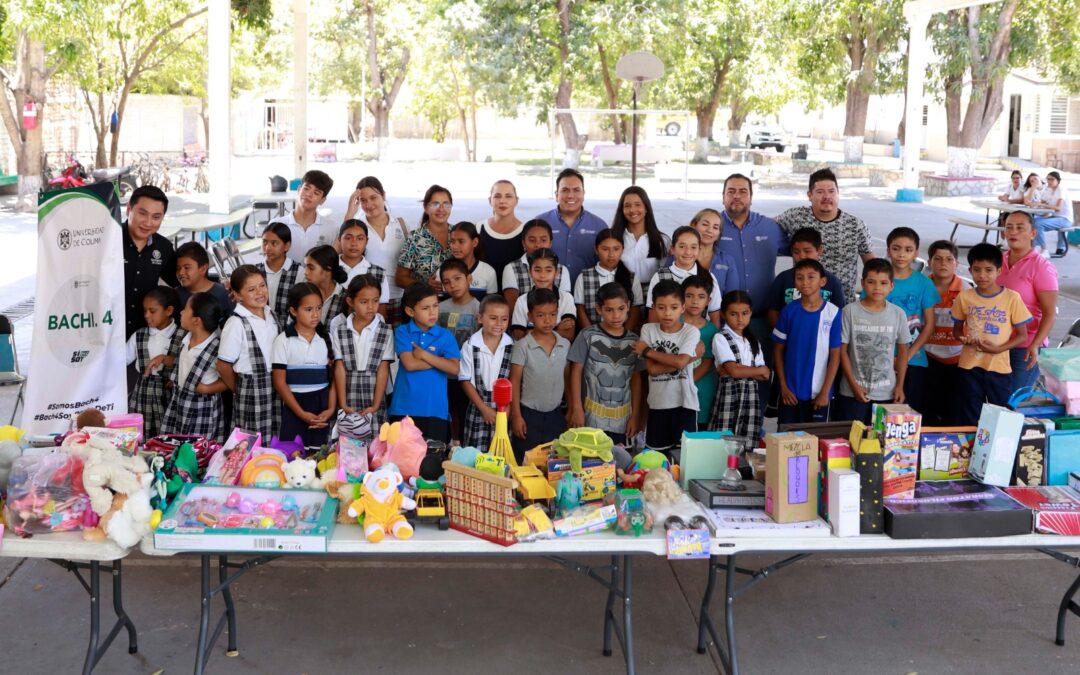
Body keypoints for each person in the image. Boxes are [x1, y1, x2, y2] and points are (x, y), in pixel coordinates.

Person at [952, 244, 1033, 426]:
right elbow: (957, 330)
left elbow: (1022, 335)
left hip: (999, 367)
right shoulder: (964, 297)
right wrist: (963, 338)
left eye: (988, 270)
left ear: (999, 270)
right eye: (977, 270)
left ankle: (997, 452)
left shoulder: (1012, 298)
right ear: (970, 270)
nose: (982, 275)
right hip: (969, 366)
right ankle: (969, 450)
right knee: (970, 413)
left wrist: (999, 349)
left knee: (1000, 415)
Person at [776, 168, 873, 305]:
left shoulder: (855, 225)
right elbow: (764, 227)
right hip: (801, 303)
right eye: (820, 192)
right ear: (810, 195)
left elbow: (871, 264)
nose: (827, 196)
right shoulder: (795, 217)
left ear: (838, 193)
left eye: (831, 191)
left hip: (843, 306)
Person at [567, 282, 643, 446]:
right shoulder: (587, 336)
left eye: (621, 309)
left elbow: (636, 379)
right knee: (591, 465)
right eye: (609, 310)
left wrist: (635, 416)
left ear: (628, 306)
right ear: (599, 309)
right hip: (591, 418)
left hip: (621, 420)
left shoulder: (635, 342)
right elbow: (575, 372)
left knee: (618, 464)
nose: (616, 315)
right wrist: (576, 408)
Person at [836, 259, 911, 424]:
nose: (877, 288)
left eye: (883, 283)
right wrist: (853, 385)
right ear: (863, 283)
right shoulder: (849, 311)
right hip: (851, 392)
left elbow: (903, 351)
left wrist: (899, 386)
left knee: (881, 442)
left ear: (892, 285)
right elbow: (841, 351)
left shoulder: (898, 314)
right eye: (871, 282)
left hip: (886, 393)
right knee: (851, 440)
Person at [634, 279, 702, 457]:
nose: (667, 313)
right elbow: (652, 370)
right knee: (658, 459)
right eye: (661, 307)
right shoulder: (648, 330)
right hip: (658, 404)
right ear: (654, 307)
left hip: (685, 404)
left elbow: (680, 363)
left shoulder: (691, 331)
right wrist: (688, 358)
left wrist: (647, 350)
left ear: (683, 307)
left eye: (673, 307)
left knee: (685, 459)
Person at [389, 283, 461, 443]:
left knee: (432, 462)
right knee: (400, 461)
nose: (432, 312)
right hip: (404, 407)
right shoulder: (403, 331)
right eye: (425, 308)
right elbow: (410, 364)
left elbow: (455, 369)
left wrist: (423, 355)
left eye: (435, 306)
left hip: (435, 410)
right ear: (410, 311)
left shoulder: (445, 335)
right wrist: (441, 362)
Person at [772, 260, 842, 424]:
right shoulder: (788, 311)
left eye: (811, 277)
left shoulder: (833, 313)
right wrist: (783, 386)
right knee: (787, 443)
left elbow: (835, 354)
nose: (805, 282)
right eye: (800, 278)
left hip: (819, 393)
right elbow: (778, 350)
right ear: (794, 282)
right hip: (791, 393)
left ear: (822, 281)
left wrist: (825, 391)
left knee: (815, 443)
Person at [217, 265, 279, 440]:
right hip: (250, 391)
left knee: (274, 436)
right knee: (252, 440)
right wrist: (238, 389)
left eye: (262, 285)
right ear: (237, 295)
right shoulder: (236, 323)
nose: (260, 292)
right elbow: (223, 366)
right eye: (251, 289)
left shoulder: (271, 314)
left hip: (275, 386)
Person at [998, 211, 1059, 392]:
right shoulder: (997, 261)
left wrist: (1035, 344)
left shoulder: (1042, 267)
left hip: (1025, 347)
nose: (1013, 232)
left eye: (1020, 228)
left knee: (1013, 403)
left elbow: (1049, 313)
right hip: (996, 343)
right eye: (1009, 227)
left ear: (1033, 233)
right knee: (993, 401)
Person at [510, 288, 571, 460]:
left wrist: (572, 408)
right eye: (541, 315)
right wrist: (516, 415)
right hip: (528, 415)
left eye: (552, 314)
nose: (548, 320)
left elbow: (567, 379)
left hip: (555, 414)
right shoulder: (522, 346)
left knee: (553, 464)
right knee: (526, 462)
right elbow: (514, 381)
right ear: (530, 317)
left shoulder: (564, 344)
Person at [272, 283, 336, 448]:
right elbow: (280, 382)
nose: (315, 315)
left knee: (320, 457)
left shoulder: (326, 339)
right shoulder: (283, 340)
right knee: (293, 455)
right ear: (294, 311)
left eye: (319, 308)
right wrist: (301, 414)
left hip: (322, 408)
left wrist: (330, 410)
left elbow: (334, 379)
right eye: (308, 310)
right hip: (295, 407)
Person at [342, 176, 410, 324]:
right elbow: (342, 248)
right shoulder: (358, 227)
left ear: (383, 196)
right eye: (363, 200)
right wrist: (350, 212)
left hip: (400, 297)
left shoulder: (401, 224)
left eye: (374, 198)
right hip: (369, 301)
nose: (369, 204)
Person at [885, 227, 939, 413]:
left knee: (908, 414)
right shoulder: (879, 281)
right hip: (880, 359)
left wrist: (907, 355)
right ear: (888, 250)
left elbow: (929, 324)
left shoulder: (923, 283)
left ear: (916, 253)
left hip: (914, 360)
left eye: (908, 250)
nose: (901, 254)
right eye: (896, 248)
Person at [332, 275, 395, 428]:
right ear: (350, 302)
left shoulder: (386, 331)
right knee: (348, 441)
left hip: (375, 392)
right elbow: (339, 368)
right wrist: (343, 403)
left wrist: (376, 404)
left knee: (376, 443)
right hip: (348, 391)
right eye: (364, 302)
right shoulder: (340, 331)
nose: (371, 307)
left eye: (375, 300)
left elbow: (383, 369)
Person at [161, 292, 226, 439]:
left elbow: (229, 381)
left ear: (196, 320)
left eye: (185, 309)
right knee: (177, 441)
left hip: (202, 409)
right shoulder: (186, 339)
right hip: (180, 402)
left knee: (197, 448)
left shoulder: (217, 348)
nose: (181, 312)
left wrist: (208, 388)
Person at [710, 290, 770, 438]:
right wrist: (756, 370)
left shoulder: (753, 341)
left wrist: (739, 369)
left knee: (747, 440)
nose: (740, 319)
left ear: (751, 313)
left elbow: (766, 375)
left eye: (745, 313)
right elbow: (734, 371)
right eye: (733, 314)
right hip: (729, 396)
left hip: (751, 398)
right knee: (724, 440)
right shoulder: (720, 338)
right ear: (723, 314)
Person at [924, 240, 970, 426]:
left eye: (949, 259)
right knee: (928, 407)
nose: (943, 263)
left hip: (957, 360)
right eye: (938, 259)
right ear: (929, 263)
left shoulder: (966, 291)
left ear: (957, 264)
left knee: (954, 409)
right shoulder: (922, 287)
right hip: (927, 358)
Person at [459, 295, 513, 450]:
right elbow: (465, 381)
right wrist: (483, 408)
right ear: (480, 318)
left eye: (504, 319)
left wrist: (508, 408)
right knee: (475, 455)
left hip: (504, 410)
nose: (499, 324)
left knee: (500, 454)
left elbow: (515, 381)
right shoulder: (470, 346)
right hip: (478, 407)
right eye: (493, 318)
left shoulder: (512, 346)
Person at [122, 185, 177, 338]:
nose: (148, 222)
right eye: (142, 213)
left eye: (156, 217)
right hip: (108, 332)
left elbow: (180, 282)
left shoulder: (164, 247)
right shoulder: (109, 239)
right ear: (129, 210)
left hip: (144, 335)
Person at [534, 168, 608, 279]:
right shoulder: (540, 223)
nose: (570, 195)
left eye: (576, 190)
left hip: (588, 290)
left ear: (583, 194)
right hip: (549, 293)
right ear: (556, 194)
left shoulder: (599, 226)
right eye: (565, 190)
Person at [766, 227, 845, 328]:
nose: (802, 256)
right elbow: (773, 311)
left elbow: (839, 313)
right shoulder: (783, 279)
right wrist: (780, 336)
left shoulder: (833, 282)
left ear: (819, 250)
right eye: (796, 252)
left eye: (807, 251)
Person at [126, 286, 179, 438]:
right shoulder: (139, 335)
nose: (147, 315)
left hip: (169, 396)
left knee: (167, 436)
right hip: (142, 396)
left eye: (152, 311)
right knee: (140, 435)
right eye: (145, 311)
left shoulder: (183, 336)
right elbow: (119, 360)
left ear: (169, 311)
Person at [438, 258, 480, 443]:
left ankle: (461, 445)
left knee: (463, 411)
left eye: (457, 279)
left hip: (467, 374)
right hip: (443, 372)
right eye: (447, 282)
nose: (452, 285)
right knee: (446, 410)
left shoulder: (479, 308)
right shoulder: (439, 308)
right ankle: (447, 444)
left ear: (469, 278)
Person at [646, 226, 722, 326]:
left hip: (700, 336)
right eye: (682, 246)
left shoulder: (709, 277)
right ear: (672, 249)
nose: (688, 252)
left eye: (693, 247)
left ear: (699, 249)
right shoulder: (659, 277)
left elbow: (714, 315)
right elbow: (653, 317)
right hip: (668, 337)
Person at [574, 228, 643, 331]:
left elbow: (635, 309)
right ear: (596, 250)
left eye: (616, 249)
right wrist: (591, 334)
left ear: (622, 249)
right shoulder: (584, 277)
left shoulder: (631, 278)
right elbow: (580, 310)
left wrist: (625, 336)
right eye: (605, 249)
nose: (611, 254)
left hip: (624, 336)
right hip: (593, 335)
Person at [610, 186, 668, 296]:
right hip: (622, 293)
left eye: (638, 205)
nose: (632, 210)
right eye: (627, 206)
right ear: (622, 210)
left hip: (653, 294)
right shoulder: (614, 238)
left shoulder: (662, 240)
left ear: (646, 208)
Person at [501, 219, 572, 308]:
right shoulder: (511, 268)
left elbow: (565, 304)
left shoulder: (562, 270)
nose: (538, 245)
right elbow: (513, 307)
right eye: (532, 240)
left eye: (543, 240)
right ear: (523, 243)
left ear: (550, 243)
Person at [510, 248, 577, 342]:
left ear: (556, 272)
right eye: (537, 270)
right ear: (530, 272)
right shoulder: (522, 301)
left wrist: (530, 332)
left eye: (548, 270)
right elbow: (519, 336)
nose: (542, 275)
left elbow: (568, 335)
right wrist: (557, 330)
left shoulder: (566, 298)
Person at [396, 184, 453, 294]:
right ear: (426, 208)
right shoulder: (415, 238)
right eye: (435, 204)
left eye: (446, 204)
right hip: (424, 305)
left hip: (455, 305)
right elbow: (400, 279)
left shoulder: (458, 235)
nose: (441, 209)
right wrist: (424, 285)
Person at [682, 276, 719, 431]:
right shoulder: (674, 325)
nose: (695, 302)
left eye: (701, 297)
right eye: (689, 296)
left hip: (701, 391)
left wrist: (687, 383)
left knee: (699, 433)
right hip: (675, 393)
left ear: (708, 301)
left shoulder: (711, 330)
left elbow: (708, 362)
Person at [479, 180, 524, 290]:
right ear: (490, 200)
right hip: (485, 296)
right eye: (497, 196)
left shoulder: (526, 231)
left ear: (516, 200)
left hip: (517, 296)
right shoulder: (479, 228)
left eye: (508, 196)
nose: (502, 201)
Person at [284, 170, 336, 263]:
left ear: (322, 200)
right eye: (306, 188)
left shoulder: (331, 228)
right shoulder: (278, 224)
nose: (309, 194)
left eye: (316, 193)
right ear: (299, 189)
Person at [337, 220, 390, 310]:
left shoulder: (379, 273)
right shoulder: (328, 269)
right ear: (339, 239)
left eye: (360, 238)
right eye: (348, 238)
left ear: (366, 241)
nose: (354, 243)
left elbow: (381, 309)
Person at [257, 222, 300, 331]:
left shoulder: (299, 273)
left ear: (287, 246)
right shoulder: (254, 272)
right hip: (260, 331)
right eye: (264, 242)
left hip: (288, 333)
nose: (267, 248)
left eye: (274, 243)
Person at [690, 208, 740, 300]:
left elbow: (732, 298)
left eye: (715, 227)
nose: (709, 230)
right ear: (694, 225)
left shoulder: (727, 261)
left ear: (719, 234)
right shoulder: (679, 256)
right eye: (705, 224)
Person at [175, 241, 234, 320]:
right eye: (178, 268)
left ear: (203, 269)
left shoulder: (222, 293)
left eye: (187, 267)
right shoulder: (175, 295)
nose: (181, 272)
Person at [449, 221, 498, 298]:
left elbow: (491, 305)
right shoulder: (442, 271)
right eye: (452, 241)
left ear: (475, 242)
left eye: (461, 241)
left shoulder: (488, 272)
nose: (455, 246)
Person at [304, 245, 348, 326]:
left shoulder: (346, 298)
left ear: (328, 268)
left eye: (311, 268)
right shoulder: (303, 294)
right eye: (305, 267)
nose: (305, 272)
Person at [1032, 171, 1074, 256]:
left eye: (1052, 179)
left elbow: (1058, 208)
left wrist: (1041, 204)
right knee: (1032, 221)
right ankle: (1034, 247)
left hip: (1065, 219)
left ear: (1058, 180)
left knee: (1039, 224)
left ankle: (1045, 249)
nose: (1049, 181)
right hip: (1054, 217)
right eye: (1048, 179)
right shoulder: (1048, 190)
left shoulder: (1061, 189)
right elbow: (1041, 202)